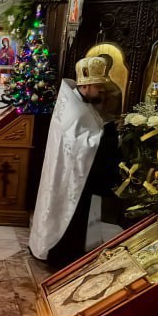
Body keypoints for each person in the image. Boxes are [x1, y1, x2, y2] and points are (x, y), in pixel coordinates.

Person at [30, 55, 123, 265]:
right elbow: (75, 145)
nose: (102, 90)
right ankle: (62, 253)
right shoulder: (73, 108)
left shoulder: (82, 102)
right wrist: (107, 133)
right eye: (99, 85)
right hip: (69, 177)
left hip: (81, 174)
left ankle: (74, 248)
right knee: (69, 215)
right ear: (87, 84)